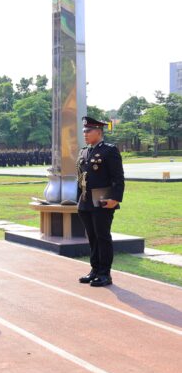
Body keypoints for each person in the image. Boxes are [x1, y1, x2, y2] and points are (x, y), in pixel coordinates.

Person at [77, 116, 125, 287]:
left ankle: (105, 274)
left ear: (98, 131)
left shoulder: (109, 151)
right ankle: (95, 269)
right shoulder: (84, 151)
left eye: (88, 131)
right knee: (92, 237)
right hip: (85, 202)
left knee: (102, 236)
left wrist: (115, 198)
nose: (85, 134)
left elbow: (118, 178)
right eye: (84, 131)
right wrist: (78, 201)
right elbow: (81, 178)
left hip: (103, 201)